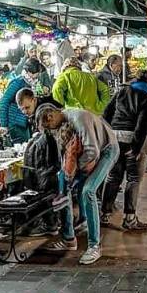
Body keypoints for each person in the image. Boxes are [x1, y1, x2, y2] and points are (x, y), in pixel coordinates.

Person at [37, 101, 119, 264]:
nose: (50, 131)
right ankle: (68, 238)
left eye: (49, 127)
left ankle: (94, 246)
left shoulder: (79, 117)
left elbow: (92, 151)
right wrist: (66, 176)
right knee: (63, 181)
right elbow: (66, 154)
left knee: (88, 190)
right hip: (89, 155)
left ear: (51, 116)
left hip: (106, 150)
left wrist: (76, 172)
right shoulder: (62, 122)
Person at [101, 70, 147, 231]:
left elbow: (106, 113)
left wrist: (111, 133)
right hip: (132, 139)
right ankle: (129, 218)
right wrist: (136, 147)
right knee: (133, 179)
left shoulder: (122, 92)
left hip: (115, 138)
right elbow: (143, 125)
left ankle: (105, 214)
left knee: (113, 177)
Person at [22, 99, 62, 233]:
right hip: (54, 180)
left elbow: (39, 168)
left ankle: (49, 224)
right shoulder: (54, 136)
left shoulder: (42, 140)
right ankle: (53, 222)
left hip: (45, 183)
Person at [0, 58, 44, 144]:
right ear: (27, 71)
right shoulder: (18, 82)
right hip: (15, 124)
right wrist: (4, 124)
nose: (36, 75)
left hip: (24, 123)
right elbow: (4, 101)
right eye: (33, 73)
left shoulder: (33, 83)